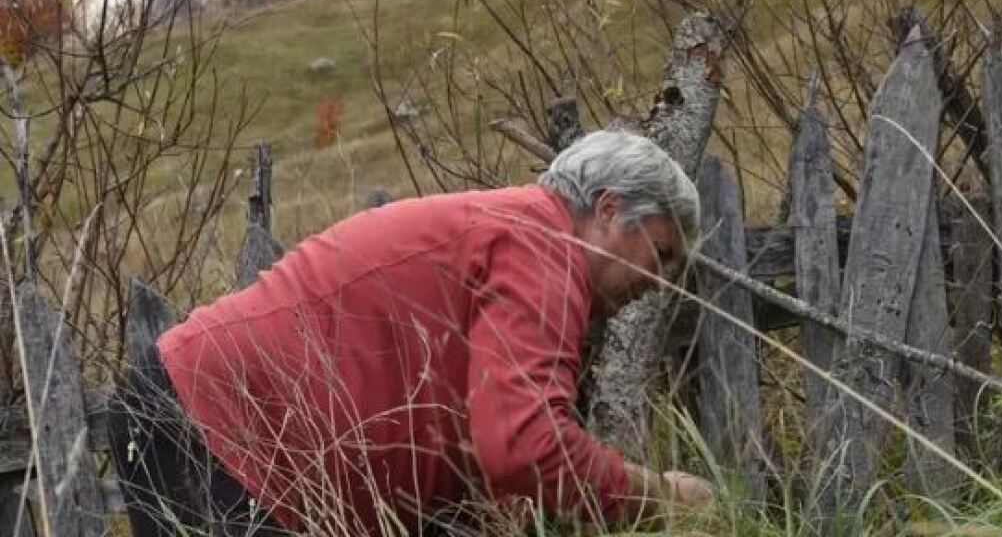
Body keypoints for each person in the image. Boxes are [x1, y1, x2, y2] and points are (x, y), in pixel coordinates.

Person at [108, 129, 715, 536]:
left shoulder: (514, 232)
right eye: (659, 253)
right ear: (608, 210)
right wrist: (658, 495)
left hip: (198, 417)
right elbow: (527, 446)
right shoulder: (545, 246)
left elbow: (481, 452)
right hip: (217, 428)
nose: (661, 281)